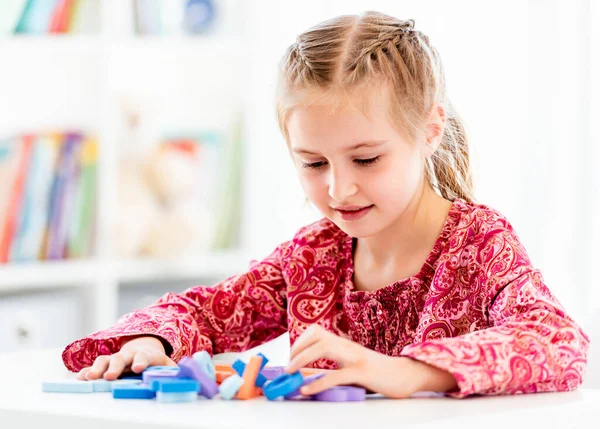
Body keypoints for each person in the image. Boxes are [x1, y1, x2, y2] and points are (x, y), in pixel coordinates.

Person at [62, 11, 589, 399]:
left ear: (429, 130)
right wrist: (154, 343)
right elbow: (203, 311)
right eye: (314, 164)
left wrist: (408, 371)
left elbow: (557, 340)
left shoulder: (476, 243)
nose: (338, 191)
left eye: (366, 159)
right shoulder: (315, 254)